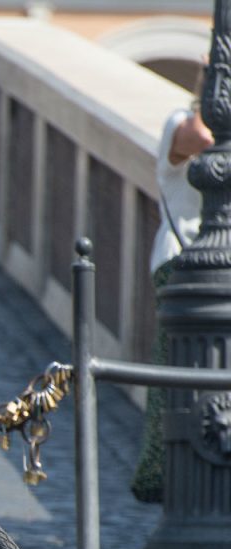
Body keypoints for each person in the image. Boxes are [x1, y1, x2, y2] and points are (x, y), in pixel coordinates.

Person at [131, 87, 213, 504]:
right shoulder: (178, 121)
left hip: (217, 274)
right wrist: (210, 80)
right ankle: (162, 478)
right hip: (179, 266)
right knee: (175, 376)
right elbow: (204, 137)